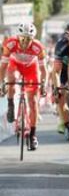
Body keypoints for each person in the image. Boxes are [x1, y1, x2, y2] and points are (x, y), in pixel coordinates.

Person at [0, 22, 47, 150]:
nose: (25, 42)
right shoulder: (10, 44)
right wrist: (1, 84)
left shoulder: (38, 47)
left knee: (33, 102)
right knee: (12, 78)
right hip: (15, 65)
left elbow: (43, 71)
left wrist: (43, 84)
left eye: (28, 39)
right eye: (22, 39)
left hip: (31, 68)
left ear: (33, 39)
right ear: (17, 37)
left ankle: (32, 135)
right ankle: (11, 105)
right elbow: (3, 67)